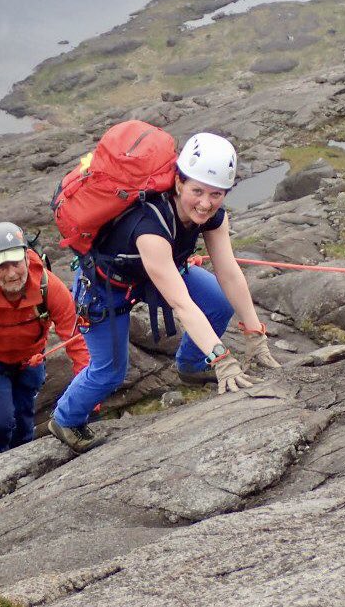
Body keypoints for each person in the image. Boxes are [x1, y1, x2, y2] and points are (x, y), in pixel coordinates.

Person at [48, 132, 281, 453]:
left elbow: (228, 272)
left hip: (157, 271)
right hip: (105, 286)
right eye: (197, 191)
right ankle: (65, 419)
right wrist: (222, 358)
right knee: (109, 372)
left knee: (216, 300)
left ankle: (190, 366)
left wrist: (255, 333)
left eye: (216, 194)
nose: (205, 203)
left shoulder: (212, 215)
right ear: (179, 183)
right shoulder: (150, 225)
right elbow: (181, 304)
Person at [0, 221, 89, 454]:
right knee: (0, 426)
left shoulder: (49, 286)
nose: (11, 273)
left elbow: (77, 340)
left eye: (16, 263)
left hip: (30, 358)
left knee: (23, 428)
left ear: (26, 258)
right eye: (2, 266)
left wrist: (89, 395)